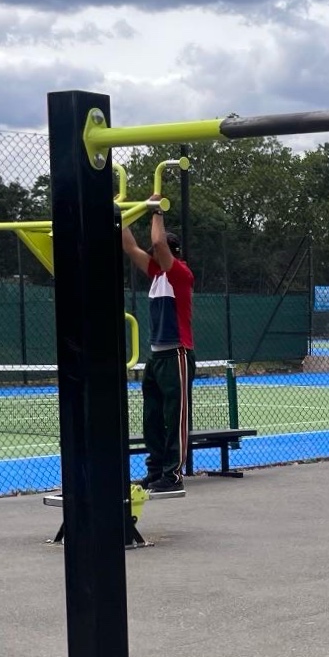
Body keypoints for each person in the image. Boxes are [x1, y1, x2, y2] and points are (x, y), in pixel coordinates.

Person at [122, 204, 194, 493]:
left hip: (177, 353)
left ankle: (173, 475)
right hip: (157, 356)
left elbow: (156, 241)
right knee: (152, 417)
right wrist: (117, 214)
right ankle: (155, 472)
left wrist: (156, 209)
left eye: (161, 252)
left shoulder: (180, 273)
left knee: (174, 416)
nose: (153, 255)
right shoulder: (156, 274)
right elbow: (129, 246)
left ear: (171, 252)